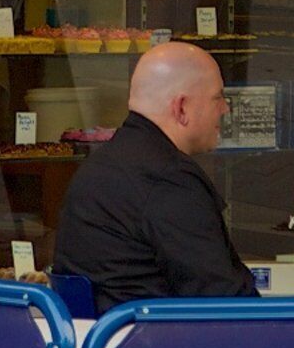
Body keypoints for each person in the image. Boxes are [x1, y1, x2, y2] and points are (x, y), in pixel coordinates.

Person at [56, 41, 256, 305]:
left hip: (104, 337)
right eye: (218, 98)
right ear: (181, 107)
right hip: (157, 342)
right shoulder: (169, 179)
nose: (225, 109)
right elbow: (224, 300)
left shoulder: (100, 165)